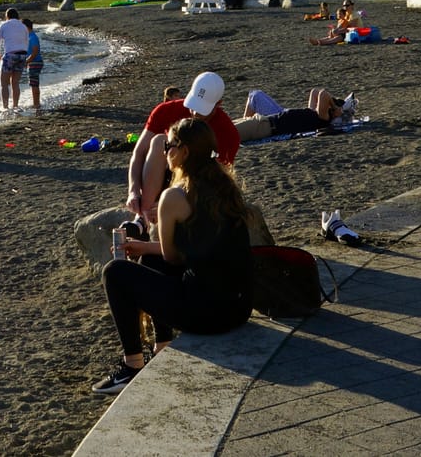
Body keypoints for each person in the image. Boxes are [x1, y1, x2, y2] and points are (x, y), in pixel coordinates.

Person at [94, 117, 254, 395]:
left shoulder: (175, 197)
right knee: (150, 259)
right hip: (238, 308)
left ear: (185, 152)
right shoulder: (225, 187)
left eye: (168, 145)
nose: (164, 151)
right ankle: (162, 346)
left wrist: (146, 247)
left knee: (115, 272)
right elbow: (196, 251)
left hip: (208, 316)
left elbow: (172, 258)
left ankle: (131, 365)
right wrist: (143, 248)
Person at [124, 72, 240, 224]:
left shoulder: (228, 134)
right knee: (159, 141)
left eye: (202, 109)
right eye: (193, 105)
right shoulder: (165, 111)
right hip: (163, 176)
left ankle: (154, 213)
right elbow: (139, 153)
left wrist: (177, 201)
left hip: (198, 185)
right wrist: (133, 191)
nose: (194, 113)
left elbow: (219, 178)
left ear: (218, 104)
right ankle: (143, 216)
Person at [234, 87, 357, 140]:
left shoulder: (322, 119)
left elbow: (323, 94)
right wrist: (335, 105)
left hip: (266, 125)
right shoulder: (314, 114)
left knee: (227, 132)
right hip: (267, 119)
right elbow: (315, 92)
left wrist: (335, 107)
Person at [0, 7, 28, 111]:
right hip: (22, 55)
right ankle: (16, 106)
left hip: (10, 55)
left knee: (3, 83)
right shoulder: (23, 26)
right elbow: (27, 42)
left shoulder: (4, 25)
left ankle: (5, 107)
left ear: (7, 16)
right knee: (15, 82)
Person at [23, 18, 44, 110]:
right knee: (33, 83)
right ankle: (36, 103)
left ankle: (36, 104)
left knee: (34, 84)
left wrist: (27, 61)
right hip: (33, 62)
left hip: (35, 62)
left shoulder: (32, 37)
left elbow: (35, 51)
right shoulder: (30, 36)